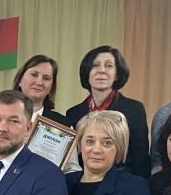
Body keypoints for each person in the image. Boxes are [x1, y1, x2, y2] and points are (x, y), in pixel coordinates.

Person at [64, 45, 151, 178]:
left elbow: (140, 160)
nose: (102, 71)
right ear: (87, 72)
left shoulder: (134, 109)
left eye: (109, 66)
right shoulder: (73, 113)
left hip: (123, 183)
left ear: (117, 74)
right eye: (95, 65)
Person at [12, 54, 68, 125]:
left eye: (46, 78)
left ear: (51, 87)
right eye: (34, 75)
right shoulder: (1, 114)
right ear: (20, 80)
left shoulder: (62, 124)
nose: (39, 82)